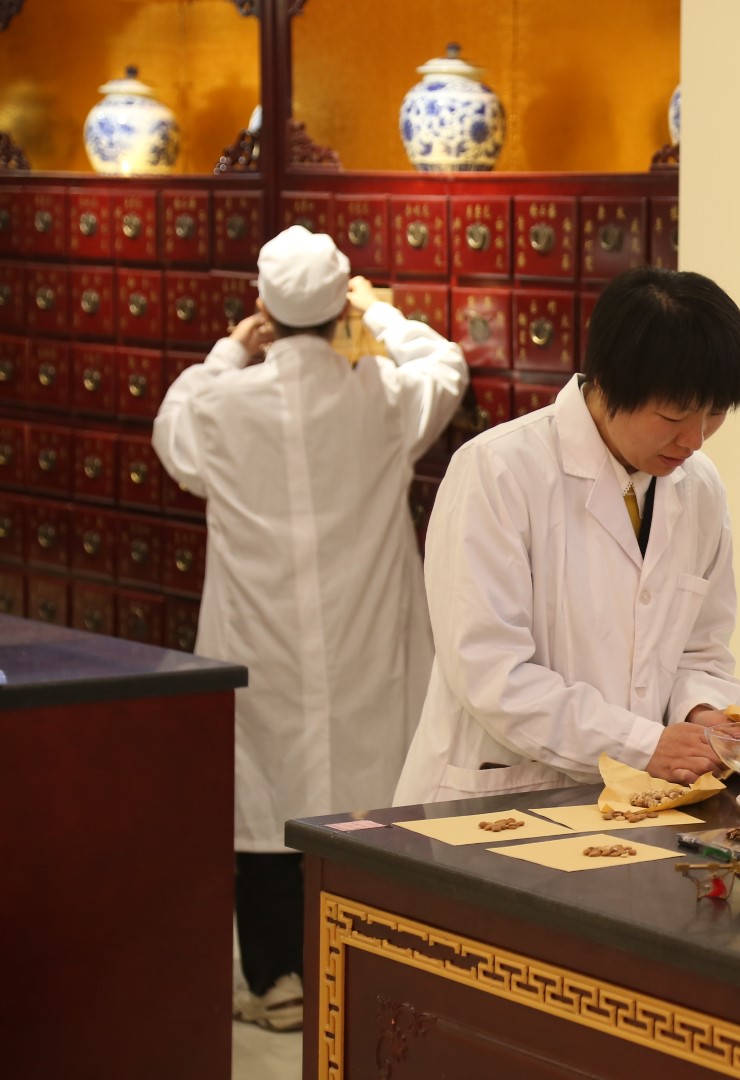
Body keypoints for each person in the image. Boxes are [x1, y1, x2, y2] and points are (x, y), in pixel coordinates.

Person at [152, 225, 469, 1032]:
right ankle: (363, 962)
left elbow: (172, 423)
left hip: (258, 639)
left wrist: (232, 347)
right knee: (365, 793)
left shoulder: (220, 405)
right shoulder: (381, 396)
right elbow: (445, 366)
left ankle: (275, 982)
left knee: (262, 793)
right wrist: (378, 315)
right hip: (367, 639)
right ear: (339, 309)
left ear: (264, 307)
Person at [392, 265, 740, 806]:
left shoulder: (698, 488)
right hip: (500, 791)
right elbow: (491, 672)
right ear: (608, 382)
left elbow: (701, 649)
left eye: (716, 414)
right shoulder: (498, 470)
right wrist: (641, 744)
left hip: (636, 798)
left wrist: (704, 716)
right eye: (674, 415)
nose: (695, 439)